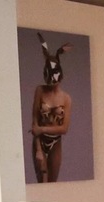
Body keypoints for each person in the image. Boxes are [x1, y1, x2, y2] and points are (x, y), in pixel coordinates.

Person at [31, 33, 72, 183]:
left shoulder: (66, 98)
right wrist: (38, 148)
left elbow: (64, 128)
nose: (52, 85)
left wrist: (42, 129)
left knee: (53, 183)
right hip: (40, 142)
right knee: (42, 180)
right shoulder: (40, 91)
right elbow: (35, 120)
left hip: (55, 142)